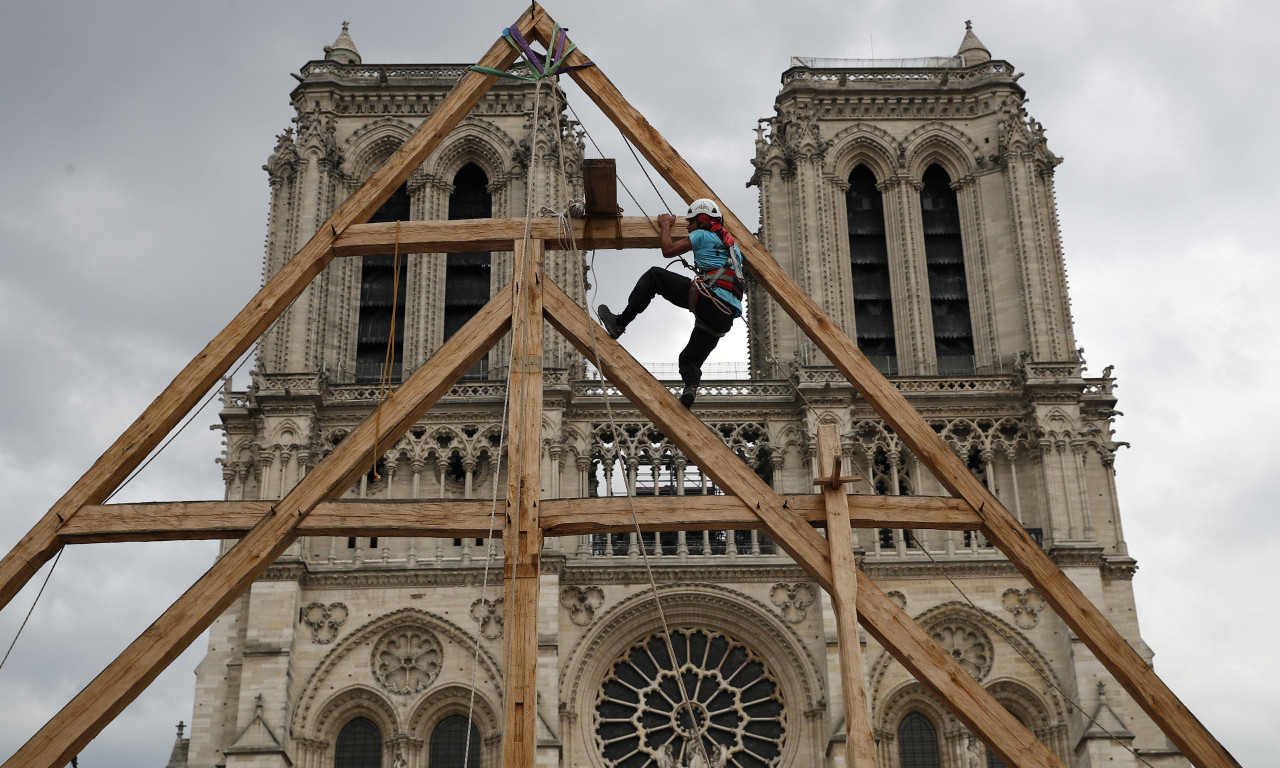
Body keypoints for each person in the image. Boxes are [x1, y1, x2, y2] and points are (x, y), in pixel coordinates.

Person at [597, 198, 746, 408]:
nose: (687, 226)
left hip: (708, 298)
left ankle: (619, 323)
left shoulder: (701, 234)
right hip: (725, 317)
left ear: (702, 221)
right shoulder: (735, 249)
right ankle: (690, 389)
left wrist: (665, 225)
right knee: (689, 359)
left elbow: (667, 250)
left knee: (655, 277)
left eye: (691, 222)